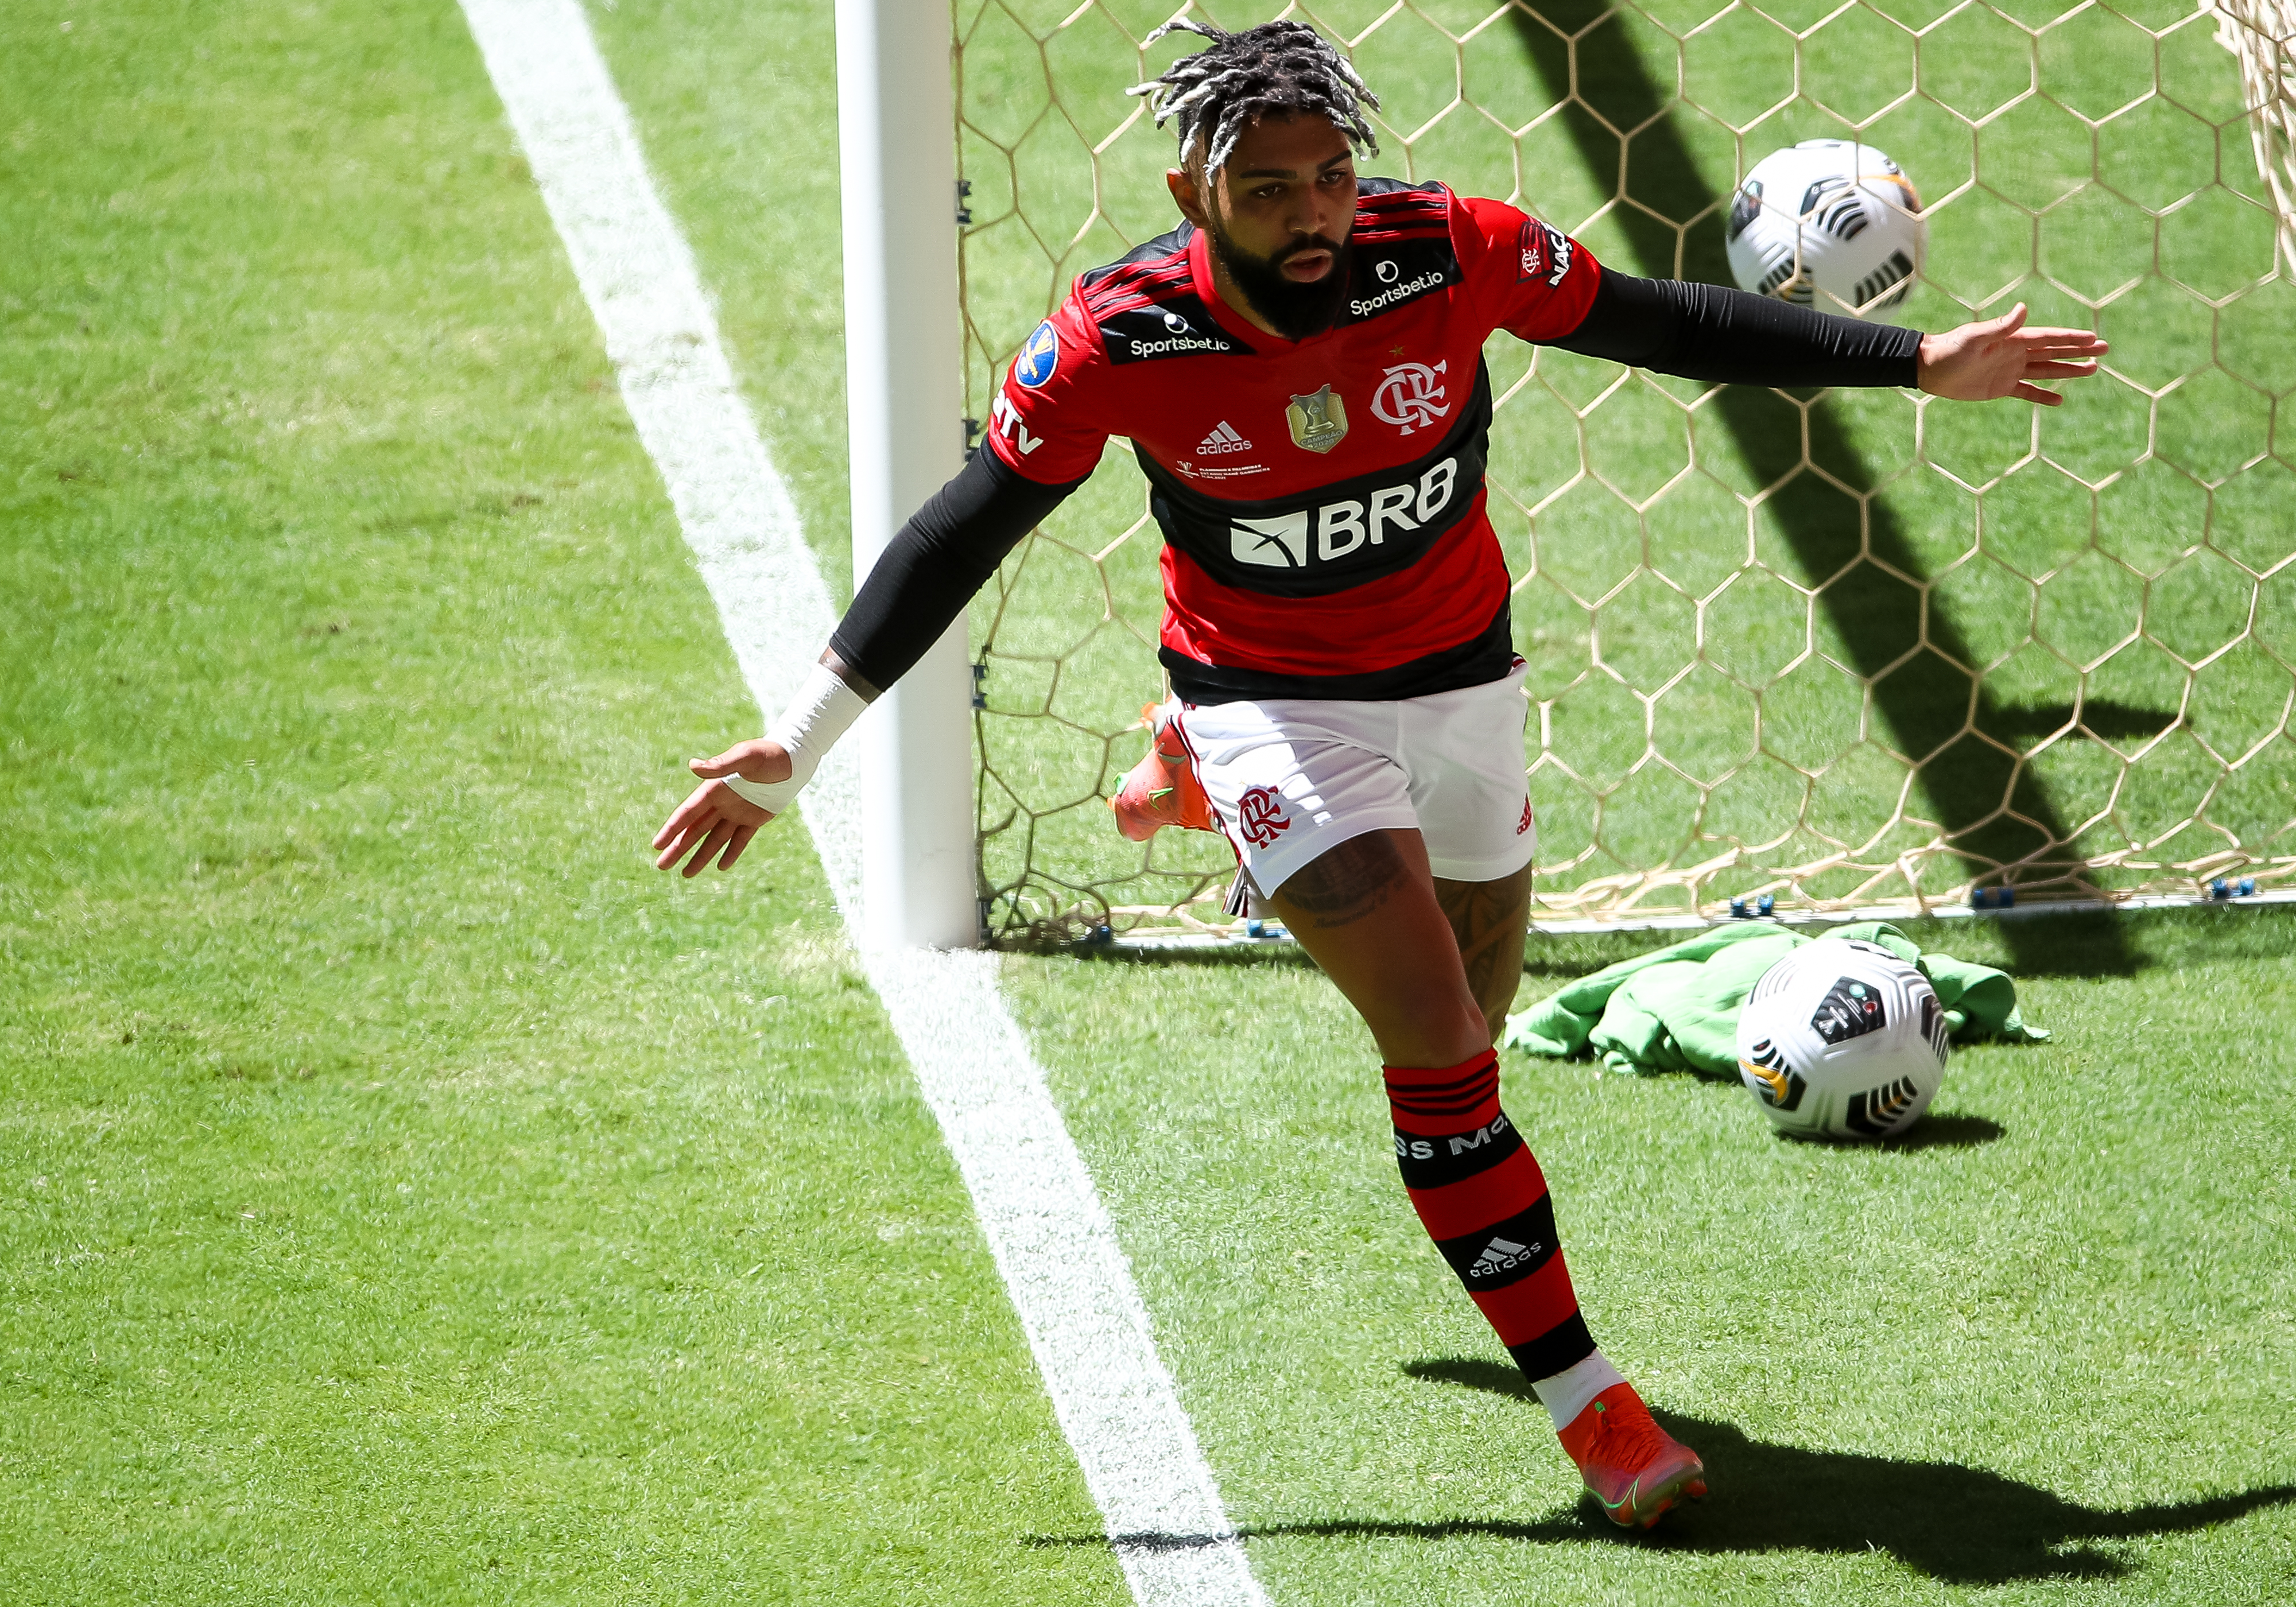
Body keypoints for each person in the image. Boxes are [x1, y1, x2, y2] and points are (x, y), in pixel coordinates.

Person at [651, 19, 2105, 1529]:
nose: (1315, 214)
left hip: (1463, 678)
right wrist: (800, 740)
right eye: (1270, 190)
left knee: (1474, 1007)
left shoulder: (1447, 252)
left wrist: (1919, 359)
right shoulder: (1119, 337)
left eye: (1331, 176)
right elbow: (965, 525)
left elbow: (1659, 320)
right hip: (1275, 705)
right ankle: (1595, 1411)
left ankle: (1198, 789)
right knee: (1437, 1044)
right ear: (1191, 189)